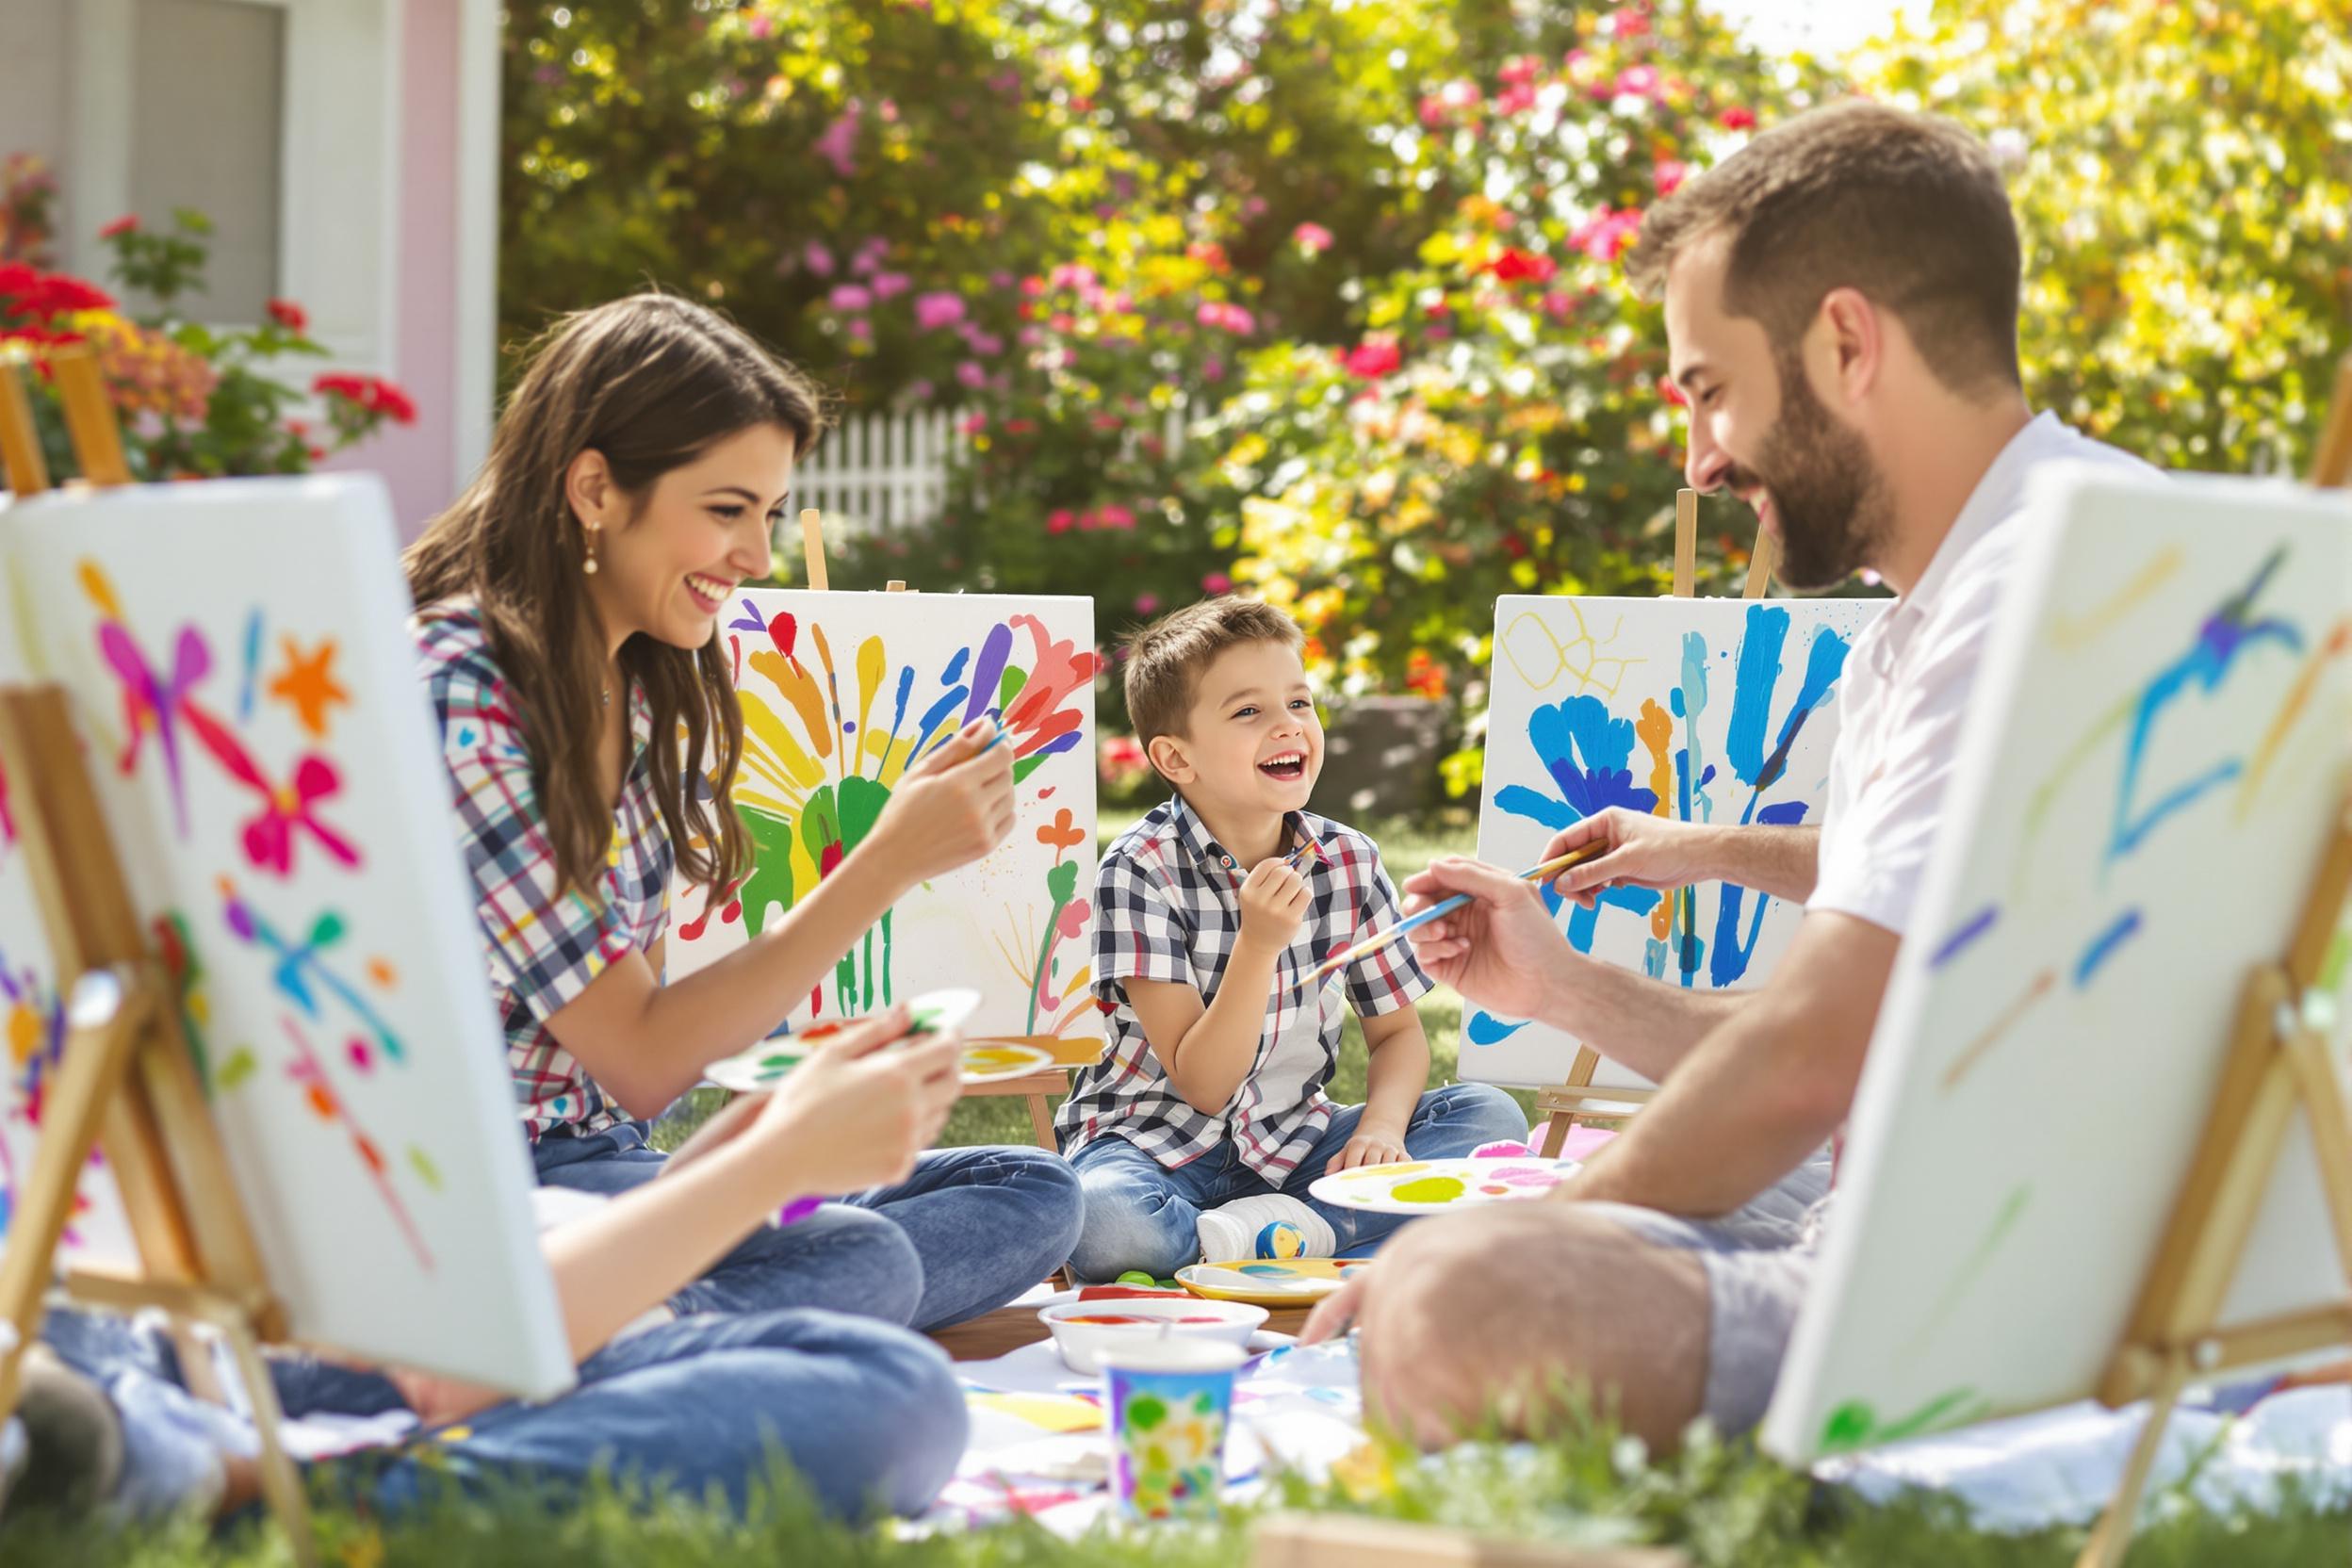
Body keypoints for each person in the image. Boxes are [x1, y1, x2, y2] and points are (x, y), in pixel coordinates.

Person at [1300, 101, 2159, 1448]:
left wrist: (1533, 1245)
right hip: (1938, 1210)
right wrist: (1560, 988)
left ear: (1846, 342)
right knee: (1509, 1220)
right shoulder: (2008, 574)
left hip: (1973, 1307)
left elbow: (1805, 1071)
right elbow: (1847, 1051)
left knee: (1461, 1293)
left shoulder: (2031, 596)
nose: (1700, 456)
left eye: (1709, 389)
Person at [401, 293, 1083, 1334]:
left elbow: (630, 1080)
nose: (758, 558)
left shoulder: (632, 688)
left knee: (1028, 1187)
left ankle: (679, 1312)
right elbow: (637, 1053)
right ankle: (589, 1318)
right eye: (727, 509)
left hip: (614, 1167)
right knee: (862, 1256)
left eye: (767, 514)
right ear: (594, 487)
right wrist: (883, 865)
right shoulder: (464, 686)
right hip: (493, 1192)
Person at [5, 1007, 975, 1524]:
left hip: (462, 1260)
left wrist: (764, 1138)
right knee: (899, 1388)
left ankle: (185, 1457)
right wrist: (779, 1157)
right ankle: (232, 1475)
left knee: (880, 1256)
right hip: (225, 1319)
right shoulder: (464, 701)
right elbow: (640, 1058)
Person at [1060, 598, 1527, 1280]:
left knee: (1487, 1117)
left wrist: (1380, 1130)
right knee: (1106, 1226)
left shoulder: (1349, 860)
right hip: (1151, 1147)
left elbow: (1397, 1036)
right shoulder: (1137, 871)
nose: (1288, 726)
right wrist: (1257, 946)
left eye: (1300, 703)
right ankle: (1321, 1235)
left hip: (1294, 1143)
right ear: (1174, 758)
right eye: (1249, 712)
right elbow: (1204, 1087)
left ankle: (1255, 1240)